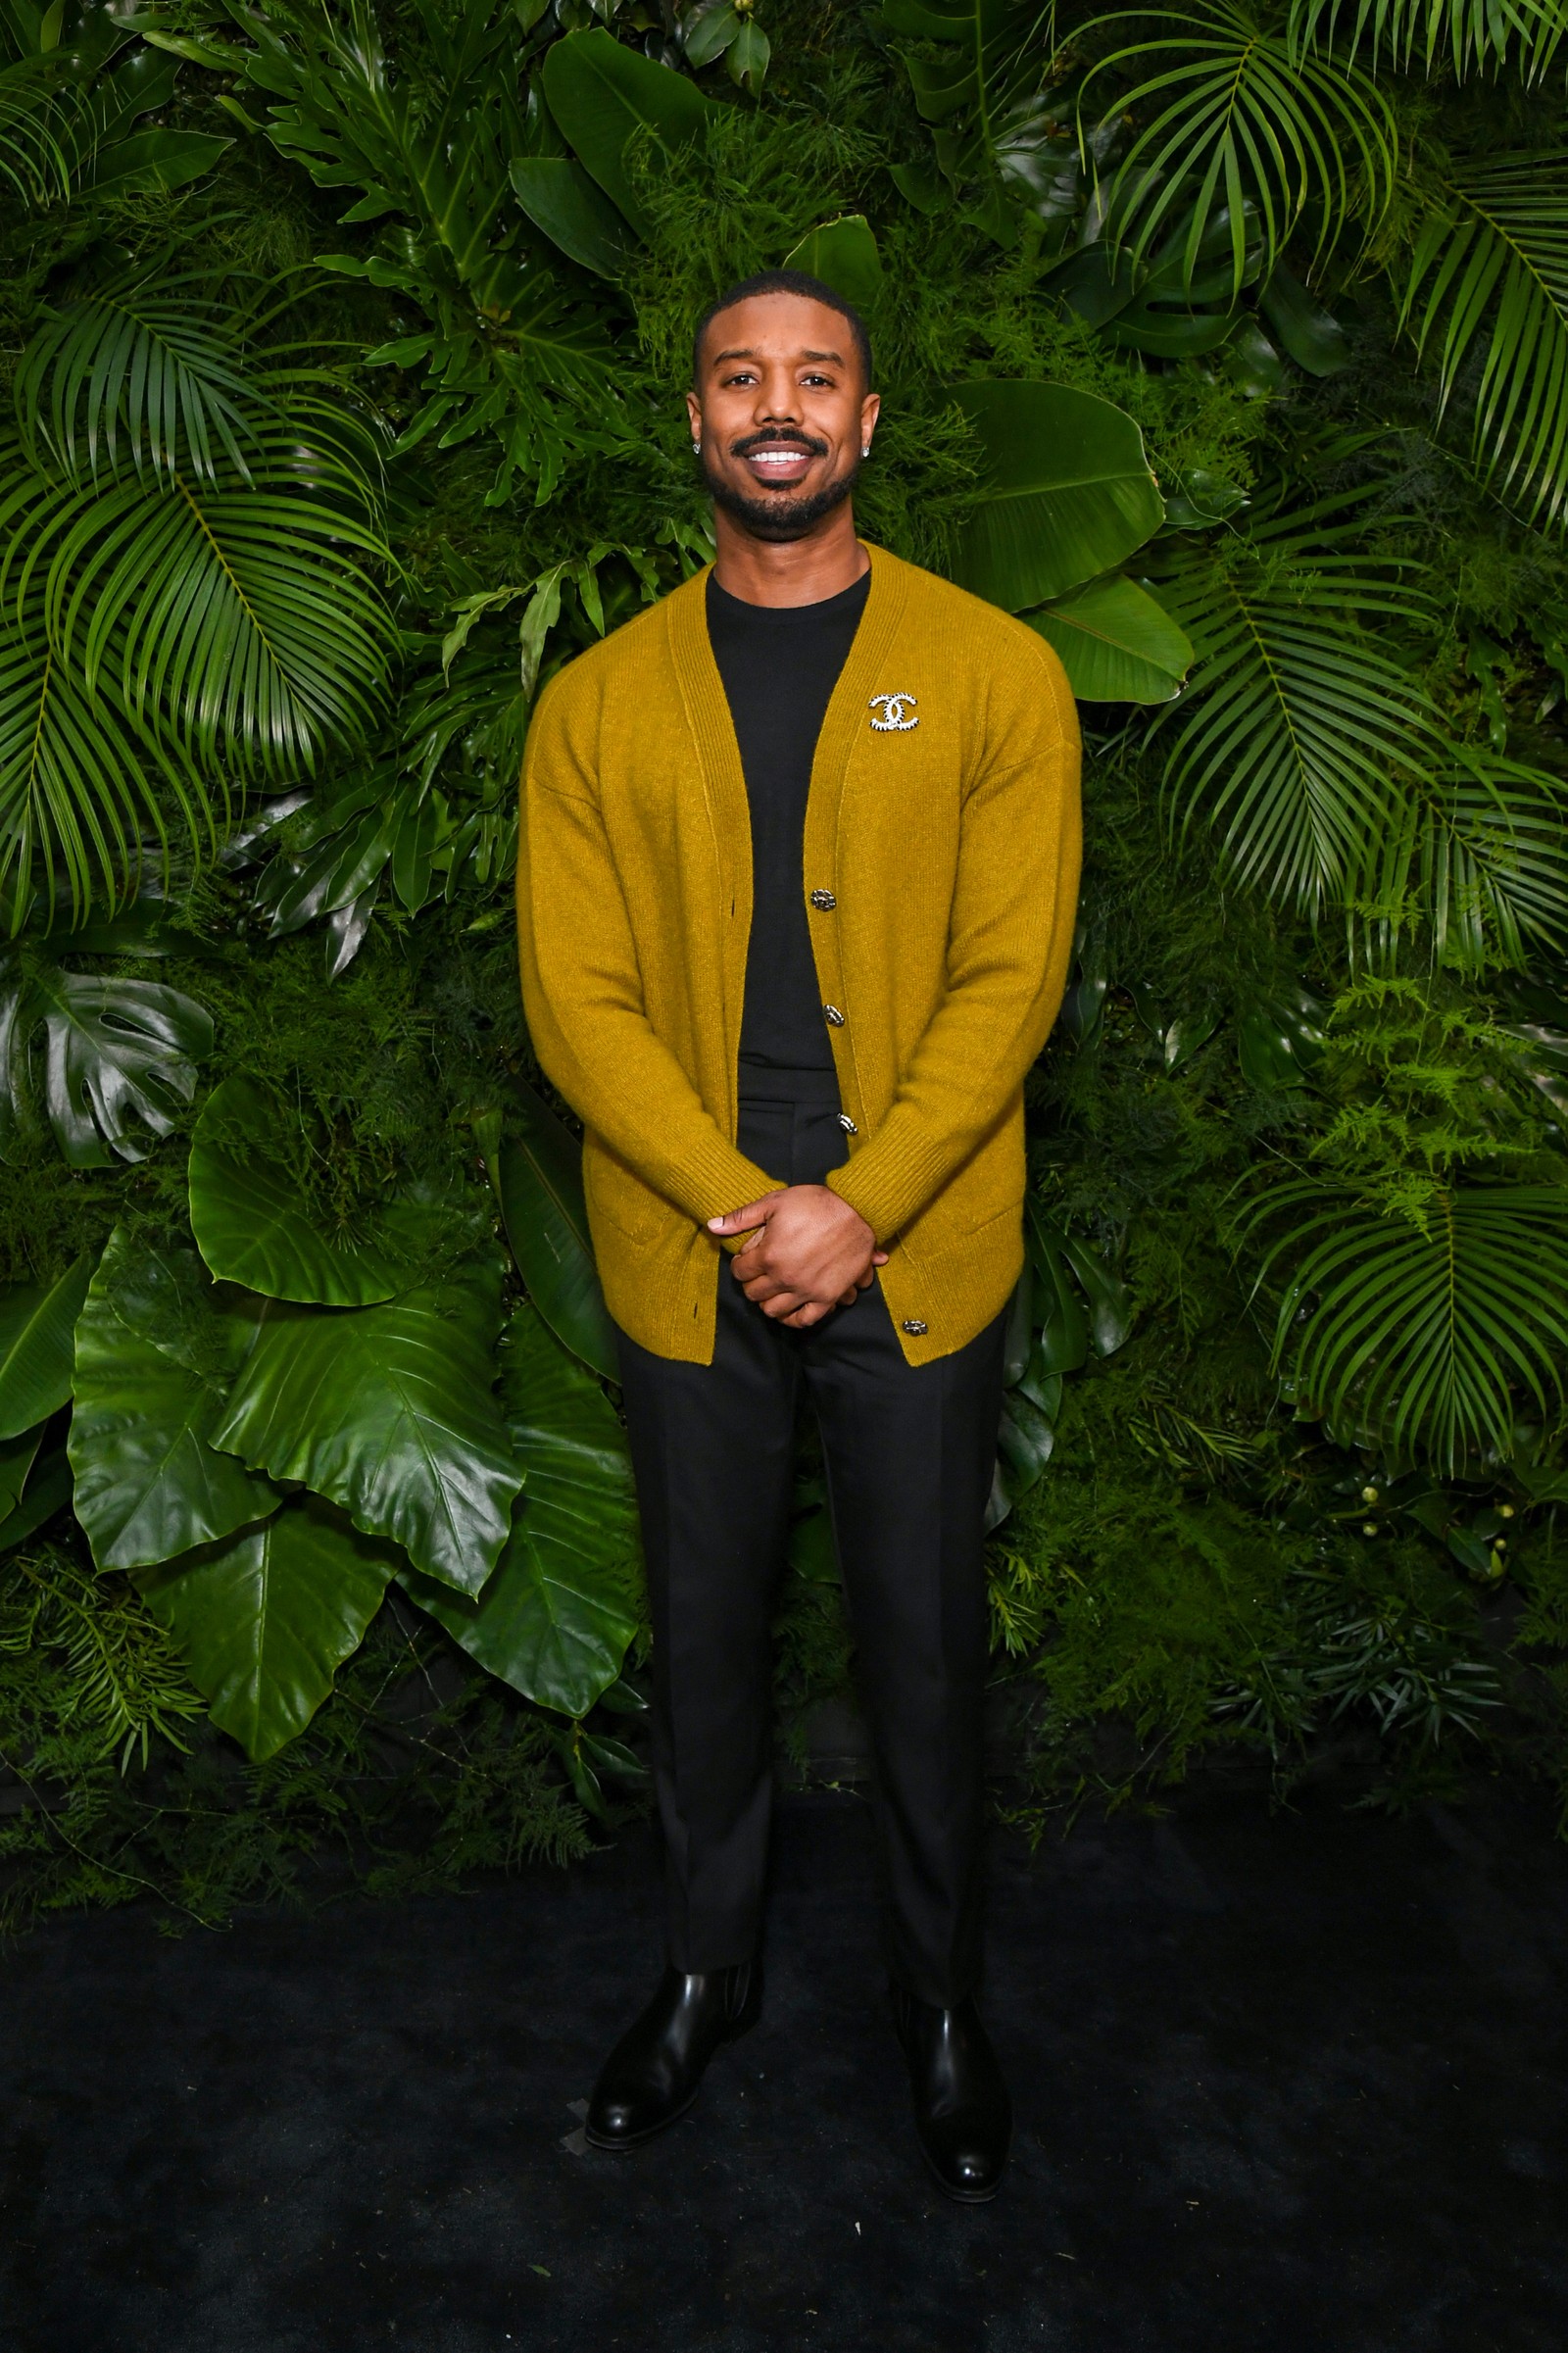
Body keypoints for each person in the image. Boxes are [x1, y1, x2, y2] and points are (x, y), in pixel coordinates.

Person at [516, 269, 1081, 2202]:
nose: (776, 408)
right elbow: (573, 999)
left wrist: (856, 1207)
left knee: (922, 1647)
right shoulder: (594, 703)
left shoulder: (991, 671)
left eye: (813, 378)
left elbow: (1009, 980)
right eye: (738, 378)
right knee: (703, 1644)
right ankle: (702, 1973)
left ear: (862, 423)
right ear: (693, 422)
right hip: (692, 1251)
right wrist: (744, 1205)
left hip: (913, 1251)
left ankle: (937, 2007)